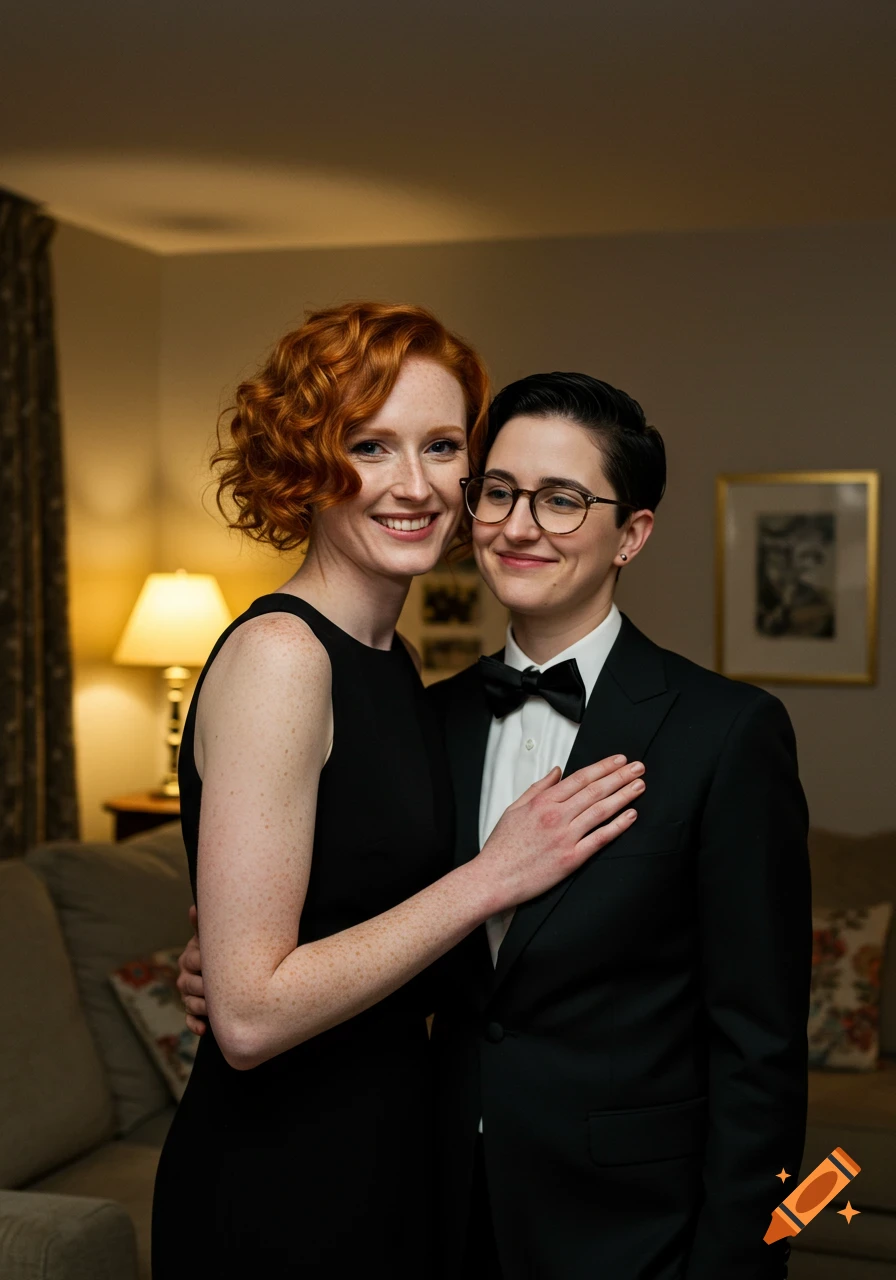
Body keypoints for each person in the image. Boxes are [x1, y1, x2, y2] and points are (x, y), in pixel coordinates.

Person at [152, 311, 646, 1280]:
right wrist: (489, 876)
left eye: (441, 446)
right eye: (369, 446)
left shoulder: (393, 662)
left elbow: (324, 927)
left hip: (386, 1160)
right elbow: (249, 1020)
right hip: (279, 1184)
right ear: (305, 462)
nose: (414, 485)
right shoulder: (282, 657)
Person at [427, 373, 811, 1279]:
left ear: (630, 533)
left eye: (563, 501)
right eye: (499, 492)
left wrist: (747, 1263)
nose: (520, 526)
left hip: (634, 1231)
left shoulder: (727, 732)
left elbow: (761, 1049)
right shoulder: (427, 720)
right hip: (433, 1210)